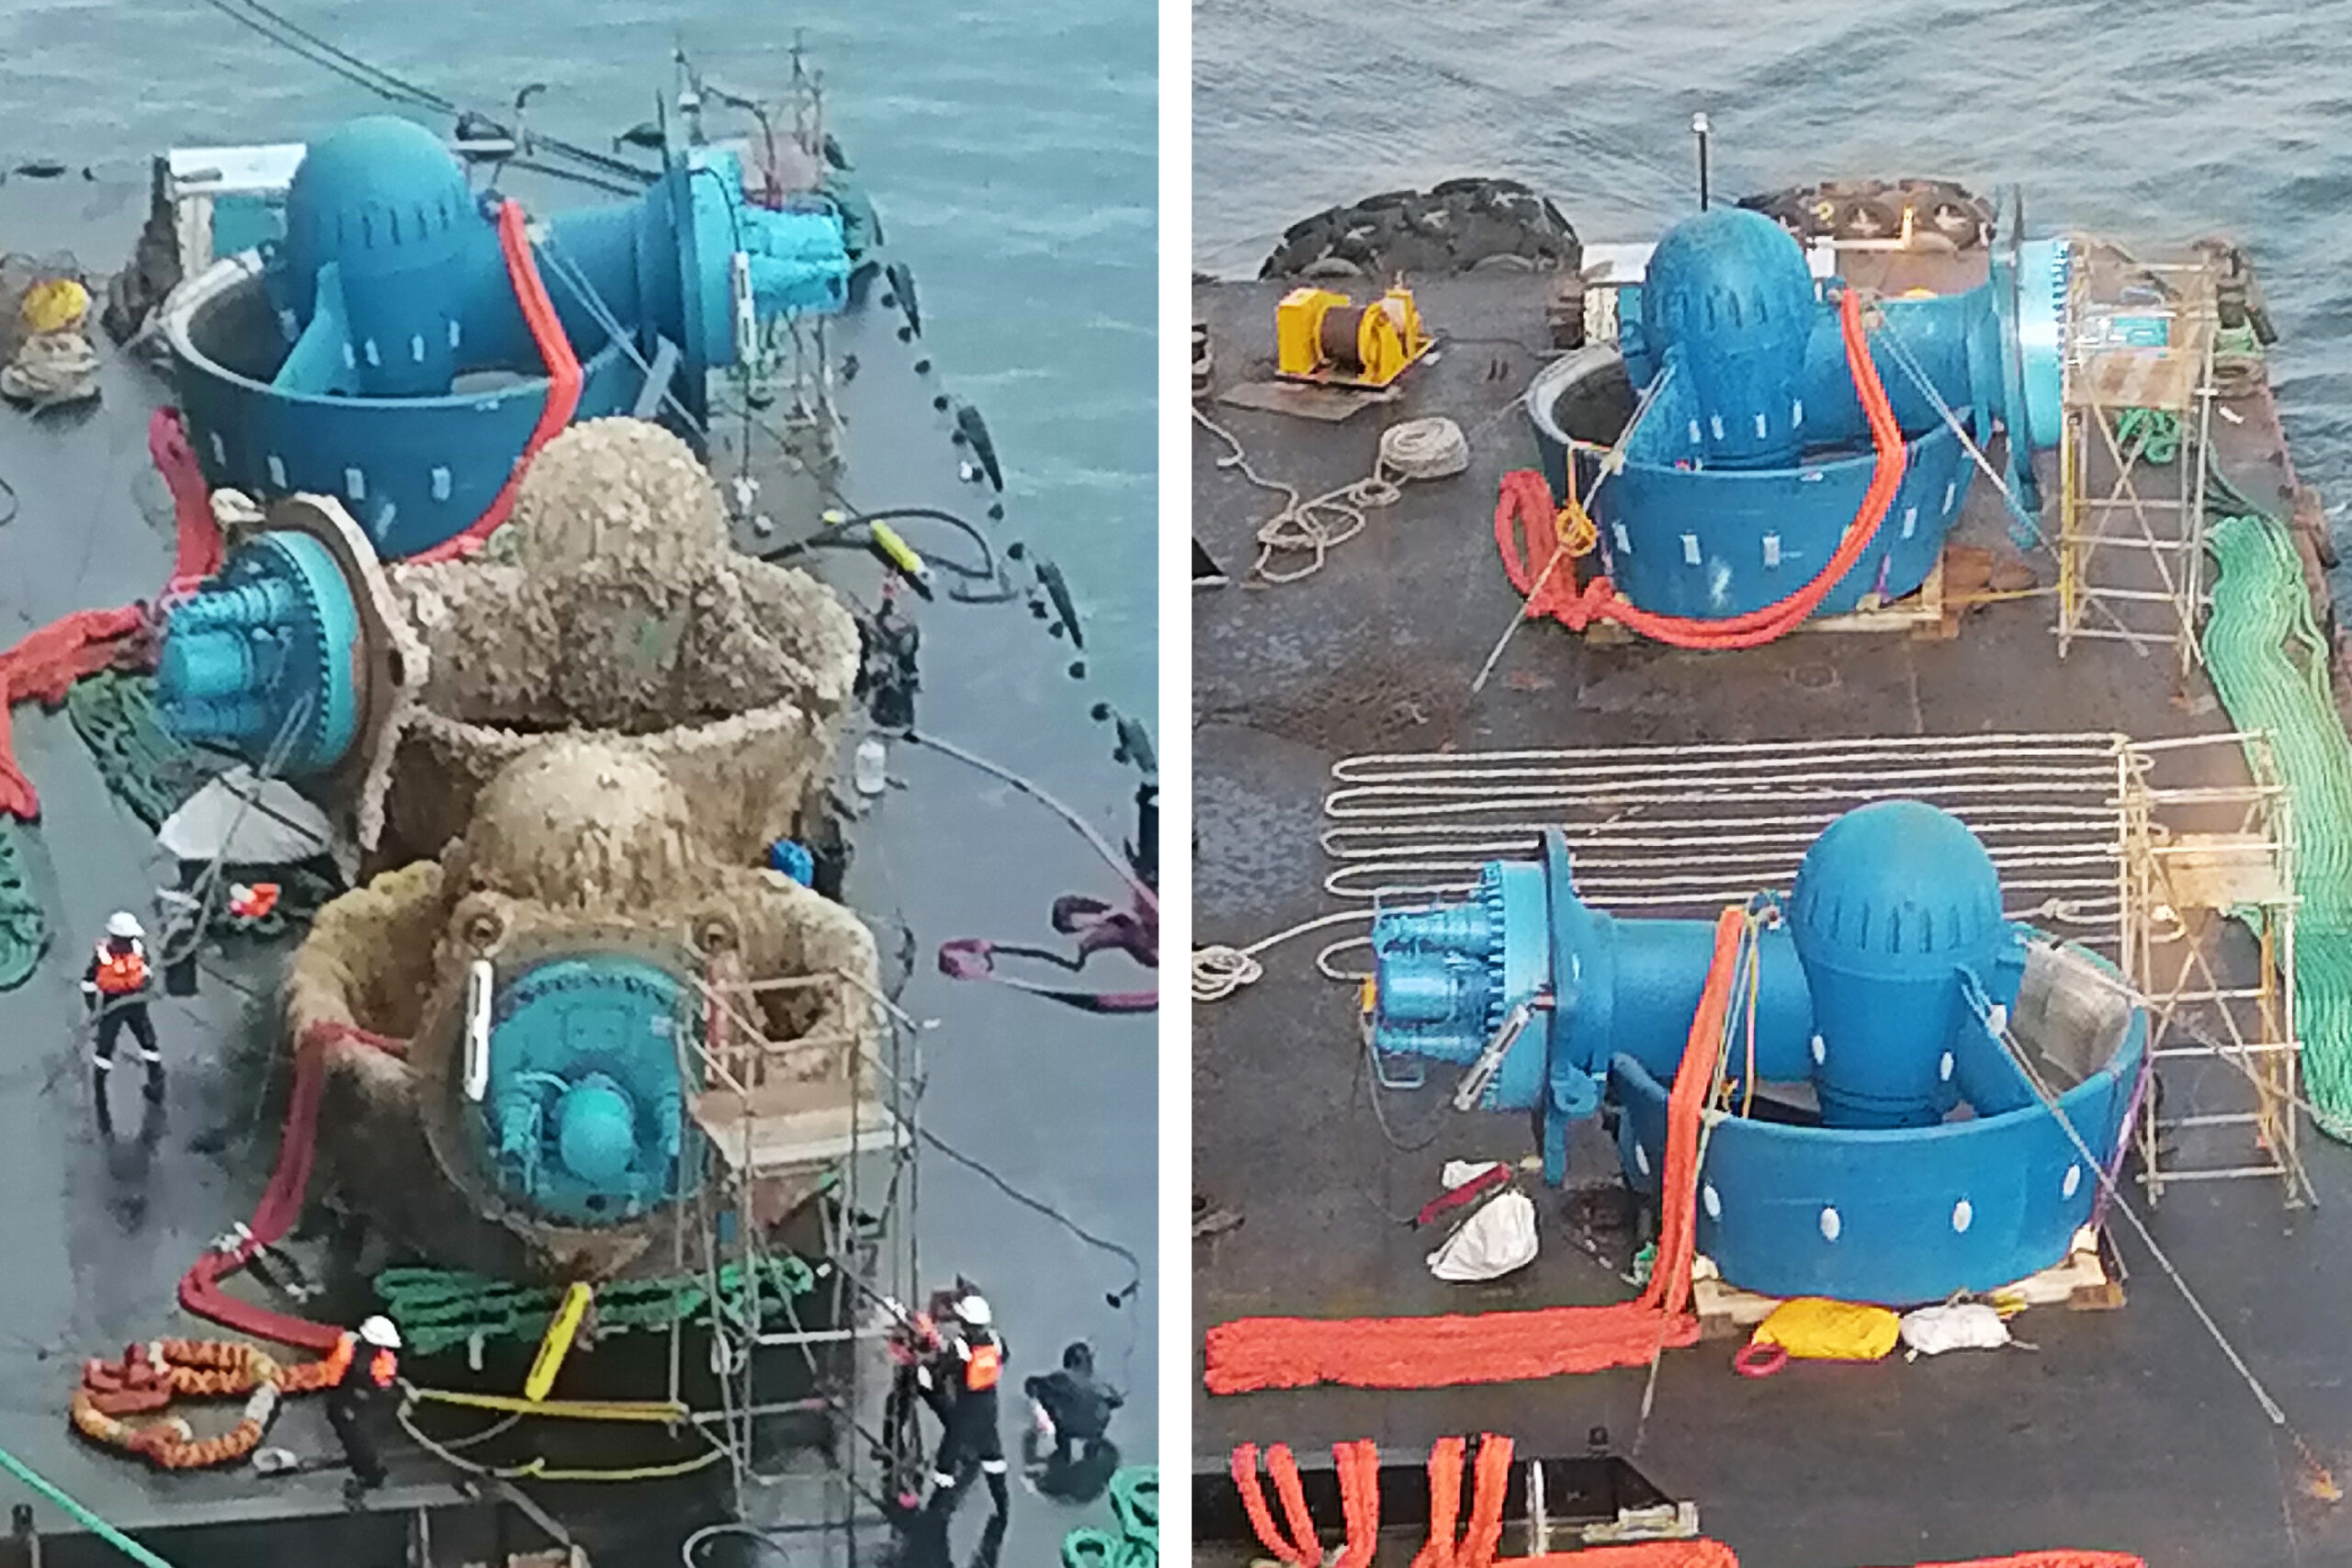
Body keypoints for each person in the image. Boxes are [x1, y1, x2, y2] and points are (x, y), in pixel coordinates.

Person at [927, 1290, 1009, 1520]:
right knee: (992, 1455)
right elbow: (1003, 1360)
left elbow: (942, 1373)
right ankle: (1003, 1508)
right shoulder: (996, 1341)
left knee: (948, 1456)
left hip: (965, 1410)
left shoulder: (960, 1347)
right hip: (989, 1407)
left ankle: (935, 1515)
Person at [81, 910, 162, 1109]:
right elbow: (89, 983)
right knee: (104, 1047)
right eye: (124, 939)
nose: (127, 943)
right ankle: (99, 1092)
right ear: (114, 937)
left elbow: (148, 973)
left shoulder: (139, 952)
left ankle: (156, 1086)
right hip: (112, 1005)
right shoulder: (102, 957)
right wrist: (94, 1009)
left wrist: (147, 990)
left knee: (149, 1043)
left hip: (136, 1003)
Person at [1023, 1340, 1123, 1498]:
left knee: (1061, 1423)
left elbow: (1030, 1383)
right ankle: (1091, 1452)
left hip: (1068, 1427)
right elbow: (1118, 1401)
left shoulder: (1059, 1378)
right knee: (1098, 1418)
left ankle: (1064, 1454)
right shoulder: (1101, 1384)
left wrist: (1039, 1403)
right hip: (1095, 1428)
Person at [326, 1314, 401, 1506]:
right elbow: (332, 1378)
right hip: (344, 1398)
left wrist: (392, 1389)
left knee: (365, 1434)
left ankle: (370, 1472)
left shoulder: (382, 1357)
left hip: (365, 1400)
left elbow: (385, 1379)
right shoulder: (347, 1351)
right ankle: (368, 1474)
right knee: (355, 1435)